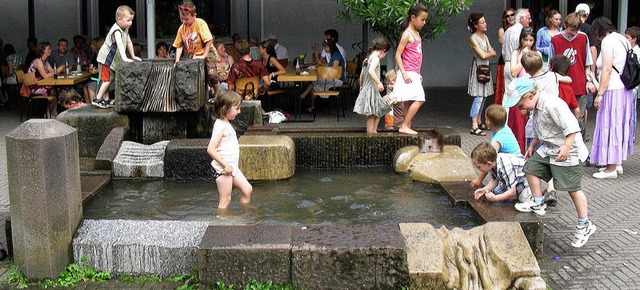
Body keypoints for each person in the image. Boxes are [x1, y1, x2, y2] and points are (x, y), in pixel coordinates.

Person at [504, 77, 594, 248]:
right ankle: (538, 203)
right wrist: (532, 145)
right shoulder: (536, 107)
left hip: (568, 151)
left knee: (572, 189)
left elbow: (572, 126)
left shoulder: (552, 104)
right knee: (530, 168)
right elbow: (542, 128)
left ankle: (585, 224)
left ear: (529, 96)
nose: (518, 108)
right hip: (550, 148)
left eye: (519, 104)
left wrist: (567, 147)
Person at [590, 17, 635, 179]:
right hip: (624, 89)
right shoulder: (622, 39)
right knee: (618, 125)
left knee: (610, 124)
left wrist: (599, 94)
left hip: (612, 89)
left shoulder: (608, 42)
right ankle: (617, 162)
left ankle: (611, 168)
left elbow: (607, 69)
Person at [549, 12, 596, 141]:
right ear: (565, 25)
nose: (574, 33)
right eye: (571, 30)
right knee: (561, 117)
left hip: (579, 83)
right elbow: (550, 66)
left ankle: (580, 148)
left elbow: (587, 63)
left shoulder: (583, 37)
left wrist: (588, 80)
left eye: (576, 30)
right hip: (561, 85)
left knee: (579, 117)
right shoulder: (555, 40)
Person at [207, 90, 253, 209]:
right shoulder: (220, 125)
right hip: (223, 169)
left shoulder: (226, 122)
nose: (239, 111)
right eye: (236, 108)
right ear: (225, 108)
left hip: (232, 167)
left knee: (247, 189)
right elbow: (210, 149)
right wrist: (225, 165)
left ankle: (244, 211)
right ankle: (222, 222)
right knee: (225, 199)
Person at [93, 5, 142, 109]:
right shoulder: (116, 30)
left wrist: (133, 56)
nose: (131, 23)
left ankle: (106, 100)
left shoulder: (125, 29)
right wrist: (124, 58)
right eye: (128, 20)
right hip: (106, 60)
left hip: (112, 61)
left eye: (131, 20)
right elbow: (120, 44)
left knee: (109, 79)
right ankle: (97, 98)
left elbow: (128, 42)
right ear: (119, 19)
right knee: (107, 80)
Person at [394, 3, 428, 135]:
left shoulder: (416, 33)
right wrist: (403, 73)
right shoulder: (407, 34)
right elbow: (398, 54)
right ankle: (404, 125)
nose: (424, 22)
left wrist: (417, 74)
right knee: (420, 98)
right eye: (422, 19)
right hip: (408, 72)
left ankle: (407, 125)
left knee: (408, 101)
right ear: (413, 17)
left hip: (414, 73)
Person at [469, 104, 522, 188]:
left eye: (486, 119)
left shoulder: (497, 140)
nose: (485, 121)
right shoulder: (505, 128)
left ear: (489, 122)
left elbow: (487, 159)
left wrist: (479, 180)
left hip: (512, 167)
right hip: (517, 160)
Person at [353, 37, 392, 134]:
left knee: (379, 110)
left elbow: (362, 74)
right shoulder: (375, 59)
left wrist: (361, 86)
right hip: (371, 89)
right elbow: (371, 71)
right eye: (386, 53)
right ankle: (370, 133)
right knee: (371, 113)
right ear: (383, 51)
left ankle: (374, 131)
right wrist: (379, 83)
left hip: (367, 88)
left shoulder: (366, 59)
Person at [508, 28, 538, 155]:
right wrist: (522, 57)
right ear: (521, 40)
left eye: (531, 40)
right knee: (519, 125)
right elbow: (513, 72)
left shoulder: (537, 54)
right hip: (519, 92)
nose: (528, 43)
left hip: (531, 92)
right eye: (525, 39)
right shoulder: (516, 53)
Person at [467, 12, 496, 136]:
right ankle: (474, 125)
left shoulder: (485, 37)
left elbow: (490, 51)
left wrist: (490, 53)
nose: (485, 24)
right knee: (478, 96)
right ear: (475, 25)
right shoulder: (473, 38)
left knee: (484, 96)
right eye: (482, 22)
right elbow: (484, 54)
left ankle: (479, 120)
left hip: (486, 67)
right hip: (478, 68)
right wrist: (491, 53)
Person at [301, 39, 345, 111]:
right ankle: (305, 98)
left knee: (314, 82)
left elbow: (334, 70)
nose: (324, 49)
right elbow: (329, 65)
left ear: (330, 47)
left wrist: (323, 70)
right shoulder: (334, 55)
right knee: (314, 81)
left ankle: (306, 99)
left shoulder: (336, 56)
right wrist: (321, 62)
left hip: (336, 80)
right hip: (333, 79)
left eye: (325, 47)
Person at [502, 8, 531, 89]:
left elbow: (503, 51)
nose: (530, 20)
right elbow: (519, 49)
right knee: (518, 94)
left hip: (507, 64)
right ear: (522, 19)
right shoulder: (521, 31)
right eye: (528, 18)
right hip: (516, 65)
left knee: (508, 95)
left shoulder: (508, 30)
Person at [27, 42, 57, 118]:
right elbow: (45, 75)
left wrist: (56, 71)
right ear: (43, 50)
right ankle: (50, 113)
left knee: (56, 90)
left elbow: (53, 71)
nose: (50, 50)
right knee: (53, 91)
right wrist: (58, 70)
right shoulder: (38, 61)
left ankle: (50, 113)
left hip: (41, 84)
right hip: (34, 86)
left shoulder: (45, 62)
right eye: (49, 49)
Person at [495, 8, 516, 105]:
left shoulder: (519, 28)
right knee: (503, 88)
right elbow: (503, 45)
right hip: (505, 61)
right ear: (505, 18)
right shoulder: (502, 30)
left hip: (517, 61)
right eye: (508, 16)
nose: (510, 17)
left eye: (512, 15)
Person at [624, 26, 640, 133]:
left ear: (634, 39)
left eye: (627, 37)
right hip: (628, 85)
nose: (625, 40)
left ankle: (632, 134)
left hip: (632, 86)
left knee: (632, 111)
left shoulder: (637, 52)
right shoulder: (628, 50)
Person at [83, 37, 104, 104]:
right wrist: (92, 70)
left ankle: (94, 103)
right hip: (95, 78)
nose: (91, 46)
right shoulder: (95, 55)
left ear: (97, 45)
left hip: (102, 79)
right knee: (84, 86)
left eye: (92, 44)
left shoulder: (103, 55)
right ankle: (89, 105)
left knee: (90, 85)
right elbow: (90, 68)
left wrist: (97, 70)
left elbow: (106, 68)